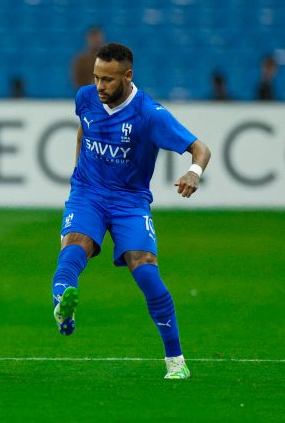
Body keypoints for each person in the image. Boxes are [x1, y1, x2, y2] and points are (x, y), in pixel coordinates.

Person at [51, 43, 211, 379]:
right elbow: (84, 129)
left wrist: (193, 173)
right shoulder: (85, 98)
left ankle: (175, 361)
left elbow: (200, 149)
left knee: (146, 271)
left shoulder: (150, 114)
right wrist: (78, 175)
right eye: (96, 77)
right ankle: (62, 304)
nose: (99, 86)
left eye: (107, 80)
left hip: (129, 200)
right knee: (75, 244)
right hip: (89, 193)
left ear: (127, 75)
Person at [71, 26, 104, 91]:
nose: (96, 40)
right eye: (93, 38)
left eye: (98, 37)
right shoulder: (81, 60)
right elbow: (76, 79)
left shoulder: (110, 57)